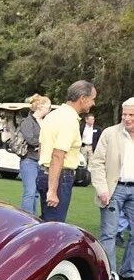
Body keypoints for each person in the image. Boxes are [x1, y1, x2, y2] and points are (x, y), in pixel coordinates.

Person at [37, 80, 97, 223]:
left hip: (44, 174)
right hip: (59, 177)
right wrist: (52, 190)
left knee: (46, 223)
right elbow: (58, 154)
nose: (93, 103)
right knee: (54, 227)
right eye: (92, 99)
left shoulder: (52, 115)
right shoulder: (69, 120)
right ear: (82, 98)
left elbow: (41, 147)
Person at [89, 97, 134, 280]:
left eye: (131, 114)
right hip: (113, 189)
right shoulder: (110, 133)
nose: (127, 118)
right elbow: (97, 162)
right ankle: (109, 273)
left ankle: (129, 271)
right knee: (109, 233)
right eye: (125, 114)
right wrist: (102, 188)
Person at [15, 94, 52, 214]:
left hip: (41, 160)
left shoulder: (45, 122)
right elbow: (30, 139)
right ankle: (26, 218)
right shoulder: (27, 122)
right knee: (30, 192)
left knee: (36, 193)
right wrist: (43, 144)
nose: (49, 110)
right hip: (29, 160)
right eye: (48, 107)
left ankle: (33, 218)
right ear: (40, 107)